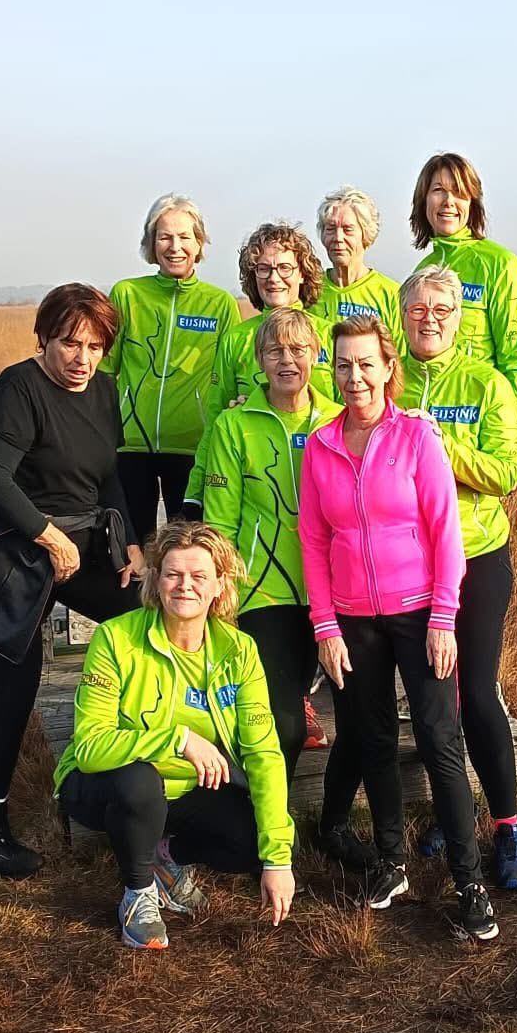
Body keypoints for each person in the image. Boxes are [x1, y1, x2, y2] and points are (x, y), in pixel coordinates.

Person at [299, 314, 500, 941]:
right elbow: (314, 541)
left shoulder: (416, 435)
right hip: (352, 620)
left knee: (441, 741)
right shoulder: (321, 446)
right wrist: (325, 625)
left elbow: (446, 532)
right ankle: (391, 863)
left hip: (421, 616)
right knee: (373, 738)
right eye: (343, 365)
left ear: (389, 368)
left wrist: (443, 616)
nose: (354, 376)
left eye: (366, 363)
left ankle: (469, 882)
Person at [0, 284, 146, 879]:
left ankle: (140, 775)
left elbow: (108, 478)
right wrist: (47, 536)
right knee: (16, 689)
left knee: (145, 619)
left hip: (79, 542)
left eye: (95, 347)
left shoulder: (104, 391)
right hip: (15, 544)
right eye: (69, 344)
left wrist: (132, 542)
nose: (82, 359)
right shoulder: (18, 388)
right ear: (44, 339)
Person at [52, 521, 295, 950]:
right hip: (106, 785)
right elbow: (90, 747)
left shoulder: (239, 650)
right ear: (156, 579)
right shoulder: (115, 638)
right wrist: (177, 739)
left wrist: (278, 858)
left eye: (199, 575)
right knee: (140, 781)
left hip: (186, 791)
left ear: (219, 584)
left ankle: (166, 859)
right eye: (173, 574)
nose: (185, 586)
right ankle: (138, 893)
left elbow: (264, 753)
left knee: (251, 842)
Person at [396, 266, 517, 889]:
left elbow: (505, 473)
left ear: (459, 317)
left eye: (442, 310)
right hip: (409, 563)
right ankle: (455, 815)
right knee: (435, 702)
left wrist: (439, 445)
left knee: (476, 693)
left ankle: (507, 825)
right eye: (417, 309)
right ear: (403, 316)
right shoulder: (389, 379)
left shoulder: (487, 383)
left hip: (477, 555)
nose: (429, 319)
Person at [193, 308, 341, 785]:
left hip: (336, 594)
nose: (286, 360)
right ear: (258, 360)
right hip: (265, 592)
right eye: (275, 351)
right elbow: (220, 522)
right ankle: (265, 816)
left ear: (315, 356)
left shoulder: (339, 421)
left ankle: (335, 819)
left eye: (298, 350)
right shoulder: (233, 425)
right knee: (285, 727)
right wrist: (222, 597)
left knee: (362, 722)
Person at [107, 194, 242, 536]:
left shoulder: (220, 304)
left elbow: (229, 377)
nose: (175, 247)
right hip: (129, 445)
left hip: (191, 448)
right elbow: (105, 370)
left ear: (199, 243)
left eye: (185, 237)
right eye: (165, 237)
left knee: (186, 547)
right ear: (151, 243)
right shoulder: (126, 294)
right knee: (130, 548)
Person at [411, 152, 517, 414]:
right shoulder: (421, 272)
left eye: (459, 192)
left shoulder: (500, 264)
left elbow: (516, 355)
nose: (448, 201)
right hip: (425, 420)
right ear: (423, 200)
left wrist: (510, 421)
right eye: (438, 190)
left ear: (472, 202)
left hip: (477, 414)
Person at [202, 221, 334, 424]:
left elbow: (350, 412)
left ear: (302, 273)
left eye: (284, 268)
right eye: (264, 269)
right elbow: (216, 415)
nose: (274, 278)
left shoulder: (329, 335)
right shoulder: (235, 339)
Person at [311, 186, 407, 351]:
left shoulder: (392, 295)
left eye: (348, 229)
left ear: (366, 234)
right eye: (330, 229)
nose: (338, 238)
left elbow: (402, 357)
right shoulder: (309, 290)